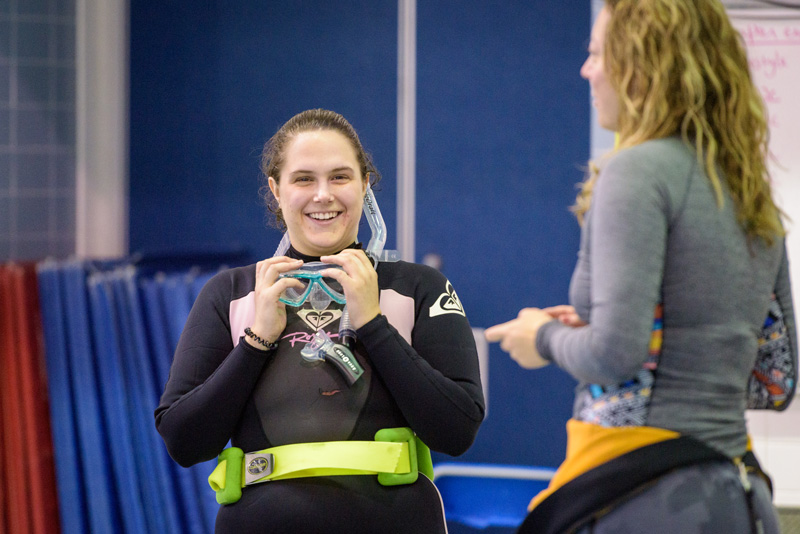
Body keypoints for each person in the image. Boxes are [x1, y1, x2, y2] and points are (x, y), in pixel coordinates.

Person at [486, 1, 796, 532]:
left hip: (647, 495)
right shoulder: (746, 185)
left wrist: (541, 337)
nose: (587, 70)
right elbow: (775, 378)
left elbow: (615, 354)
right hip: (736, 493)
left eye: (597, 53)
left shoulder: (635, 172)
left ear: (641, 65)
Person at [155, 108, 485, 533]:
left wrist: (374, 325)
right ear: (277, 190)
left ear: (365, 184)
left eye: (340, 177)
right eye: (304, 179)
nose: (323, 195)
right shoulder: (233, 294)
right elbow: (184, 441)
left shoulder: (418, 287)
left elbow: (456, 431)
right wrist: (257, 341)